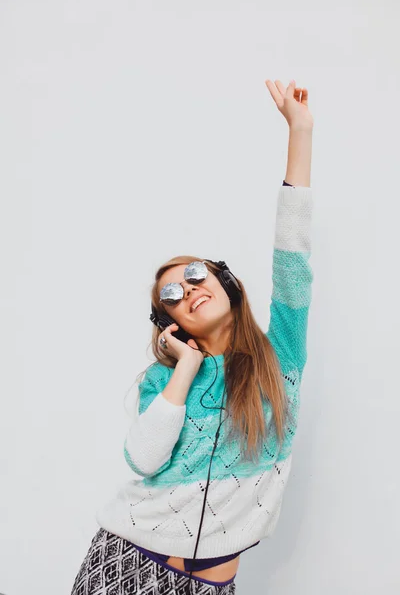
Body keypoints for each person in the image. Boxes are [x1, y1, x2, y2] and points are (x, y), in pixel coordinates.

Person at [70, 78, 314, 594]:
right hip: (124, 561)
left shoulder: (280, 357)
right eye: (173, 294)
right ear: (173, 323)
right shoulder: (160, 383)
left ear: (225, 281)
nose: (190, 290)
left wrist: (300, 132)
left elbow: (293, 257)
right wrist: (183, 369)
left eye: (198, 274)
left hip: (211, 584)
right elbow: (142, 459)